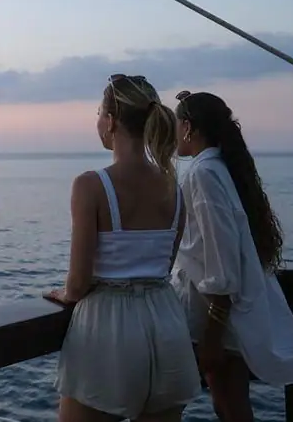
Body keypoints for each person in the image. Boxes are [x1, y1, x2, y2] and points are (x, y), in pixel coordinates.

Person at [45, 74, 200, 422]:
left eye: (100, 113)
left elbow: (79, 282)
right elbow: (164, 267)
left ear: (112, 121)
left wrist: (65, 294)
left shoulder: (91, 185)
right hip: (166, 320)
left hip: (109, 327)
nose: (98, 121)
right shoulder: (172, 188)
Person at [171, 91, 293, 422]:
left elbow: (221, 253)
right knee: (231, 404)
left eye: (176, 124)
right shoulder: (220, 167)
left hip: (214, 315)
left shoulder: (203, 173)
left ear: (188, 127)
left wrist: (212, 333)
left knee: (218, 405)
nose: (174, 133)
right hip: (224, 313)